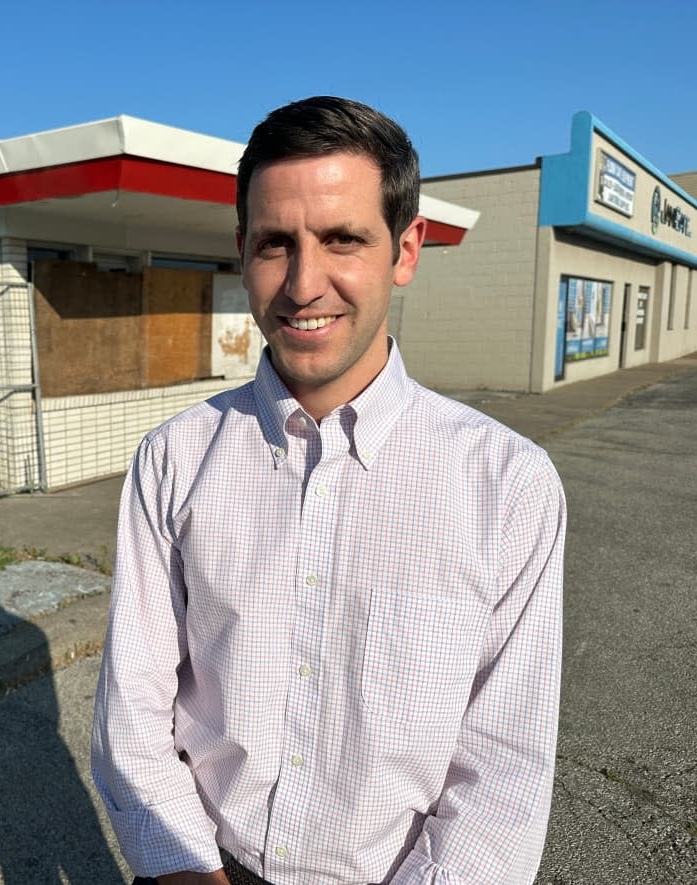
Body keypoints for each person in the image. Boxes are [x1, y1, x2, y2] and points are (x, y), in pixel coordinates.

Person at [91, 96, 566, 885]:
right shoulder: (173, 459)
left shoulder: (507, 486)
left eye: (342, 238)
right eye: (276, 244)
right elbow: (131, 708)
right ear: (243, 252)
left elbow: (505, 764)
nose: (304, 284)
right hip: (199, 868)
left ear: (405, 249)